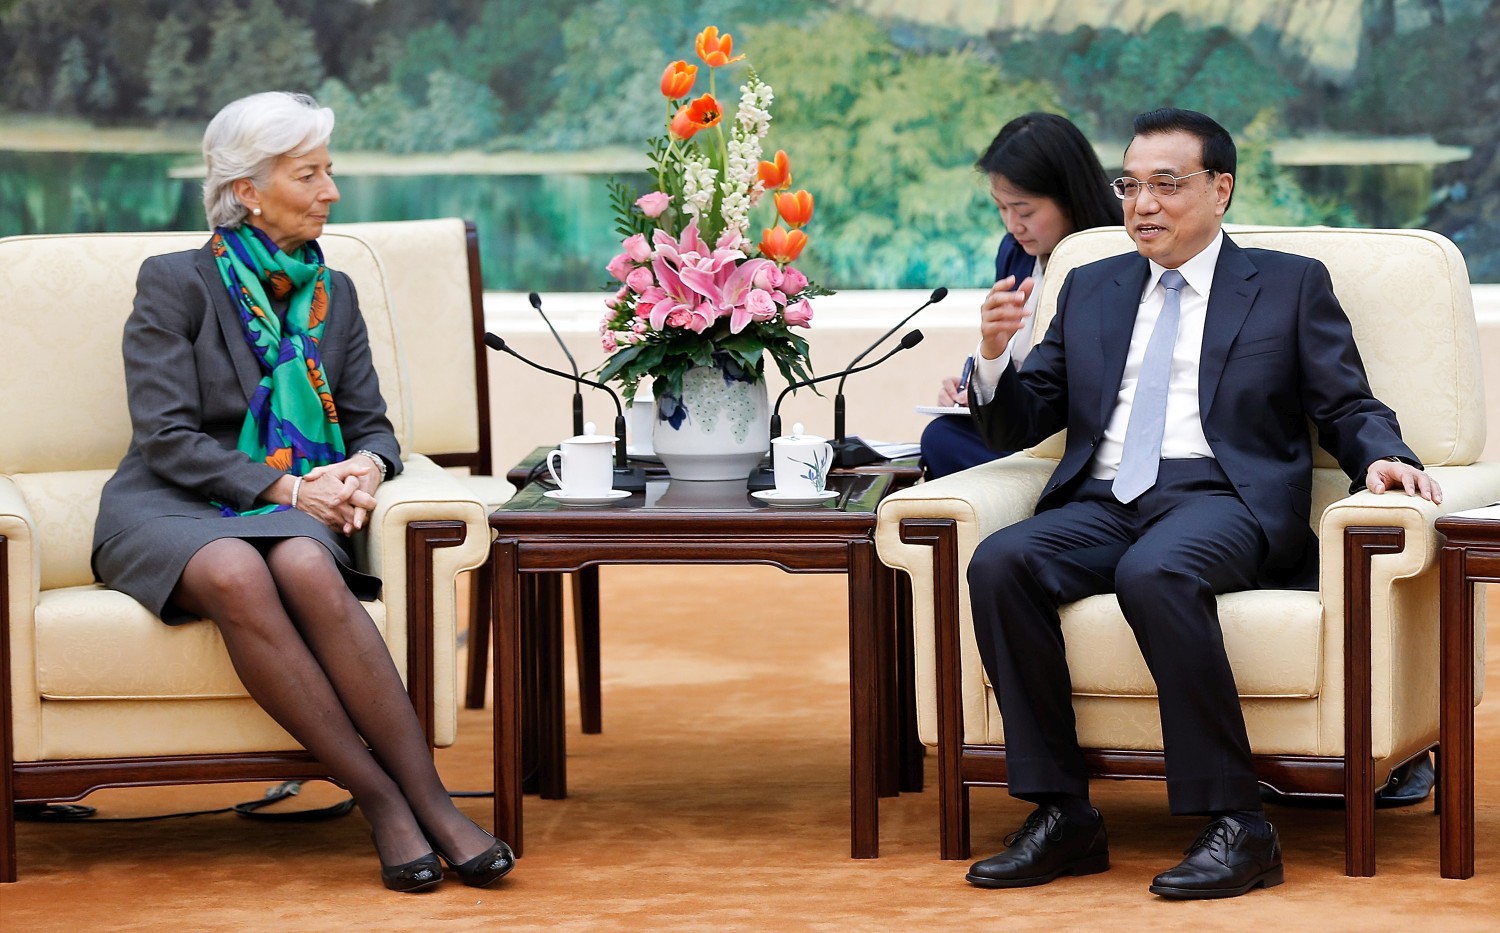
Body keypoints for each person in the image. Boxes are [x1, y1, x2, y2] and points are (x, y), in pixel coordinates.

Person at [960, 108, 1441, 900]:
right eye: (1131, 185)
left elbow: (1346, 402)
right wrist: (992, 356)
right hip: (1107, 495)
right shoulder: (1091, 286)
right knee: (1003, 561)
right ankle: (1063, 813)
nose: (1142, 204)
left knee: (1158, 572)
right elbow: (1020, 422)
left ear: (1219, 189)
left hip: (1224, 497)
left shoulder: (1287, 285)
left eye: (1166, 184)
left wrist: (1385, 456)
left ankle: (1239, 825)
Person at [90, 91, 514, 894]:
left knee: (311, 569)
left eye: (330, 171)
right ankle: (387, 800)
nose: (332, 192)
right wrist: (287, 484)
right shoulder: (174, 283)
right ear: (247, 190)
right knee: (235, 572)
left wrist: (367, 469)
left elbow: (374, 426)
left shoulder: (334, 294)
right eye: (310, 174)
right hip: (170, 503)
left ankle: (429, 797)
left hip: (287, 504)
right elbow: (165, 437)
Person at [920, 112, 1119, 479]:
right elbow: (1011, 356)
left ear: (1069, 197)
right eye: (1001, 208)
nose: (1013, 225)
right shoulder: (1014, 253)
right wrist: (974, 385)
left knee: (944, 442)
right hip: (1022, 427)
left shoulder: (1110, 257)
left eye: (1024, 210)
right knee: (942, 436)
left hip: (1076, 436)